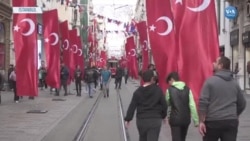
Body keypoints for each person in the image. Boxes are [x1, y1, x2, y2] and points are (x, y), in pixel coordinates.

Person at [199, 56, 246, 141]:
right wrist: (235, 114)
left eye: (215, 62)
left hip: (213, 121)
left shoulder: (210, 82)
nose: (213, 63)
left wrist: (201, 121)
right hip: (230, 121)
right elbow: (242, 103)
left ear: (220, 65)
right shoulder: (234, 83)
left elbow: (203, 102)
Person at [124, 70, 168, 141]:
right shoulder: (158, 90)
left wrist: (128, 119)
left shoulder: (138, 91)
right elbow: (164, 105)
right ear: (152, 79)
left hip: (141, 120)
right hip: (155, 120)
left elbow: (132, 106)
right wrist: (164, 116)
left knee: (142, 138)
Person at [166, 72, 199, 141]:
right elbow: (192, 105)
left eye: (168, 82)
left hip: (174, 119)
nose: (168, 84)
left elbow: (167, 103)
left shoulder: (169, 90)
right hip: (186, 119)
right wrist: (196, 120)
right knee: (182, 138)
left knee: (176, 139)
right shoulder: (188, 89)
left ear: (172, 80)